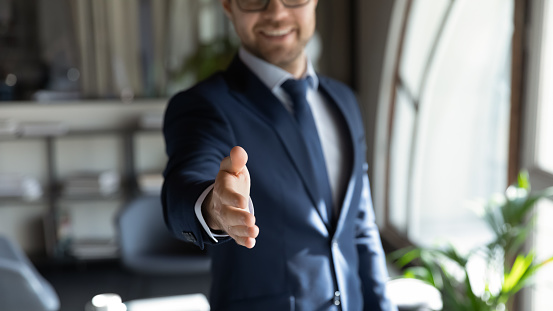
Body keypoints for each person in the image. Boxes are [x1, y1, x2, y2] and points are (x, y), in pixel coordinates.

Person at [161, 0, 396, 310]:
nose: (276, 12)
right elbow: (185, 180)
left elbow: (360, 226)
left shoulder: (344, 101)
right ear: (229, 5)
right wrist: (213, 207)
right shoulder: (204, 105)